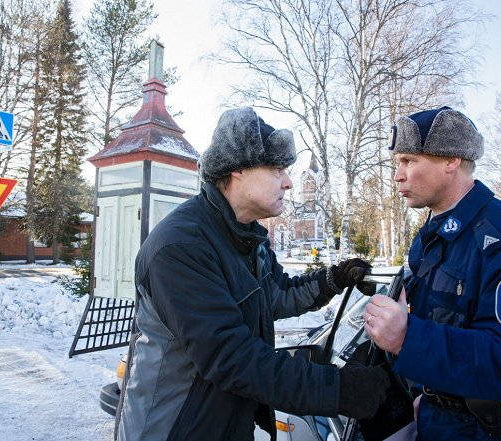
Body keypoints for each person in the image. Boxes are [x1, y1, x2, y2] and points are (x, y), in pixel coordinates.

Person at [115, 107, 391, 441]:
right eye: (277, 169)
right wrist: (339, 389)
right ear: (237, 171)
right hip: (175, 429)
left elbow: (276, 295)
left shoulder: (248, 238)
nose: (288, 182)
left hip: (227, 425)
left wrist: (333, 279)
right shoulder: (181, 246)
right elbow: (232, 358)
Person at [363, 106, 501, 440]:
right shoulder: (434, 237)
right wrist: (435, 396)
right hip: (445, 421)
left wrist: (409, 339)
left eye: (409, 161)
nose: (398, 175)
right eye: (398, 163)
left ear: (451, 160)